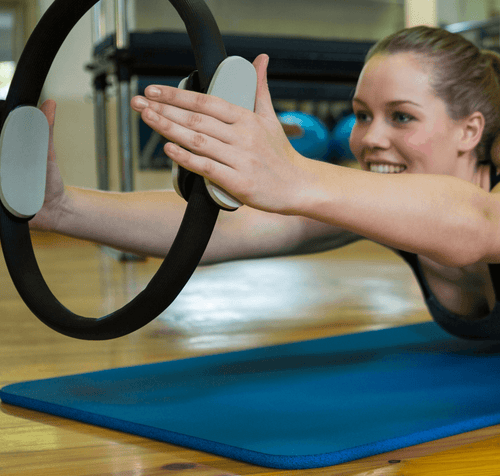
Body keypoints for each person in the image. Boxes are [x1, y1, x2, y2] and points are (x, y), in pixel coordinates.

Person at [30, 26, 500, 339]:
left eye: (401, 116)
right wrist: (62, 208)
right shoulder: (392, 202)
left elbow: (477, 223)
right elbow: (223, 230)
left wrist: (294, 175)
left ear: (470, 130)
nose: (371, 137)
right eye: (361, 115)